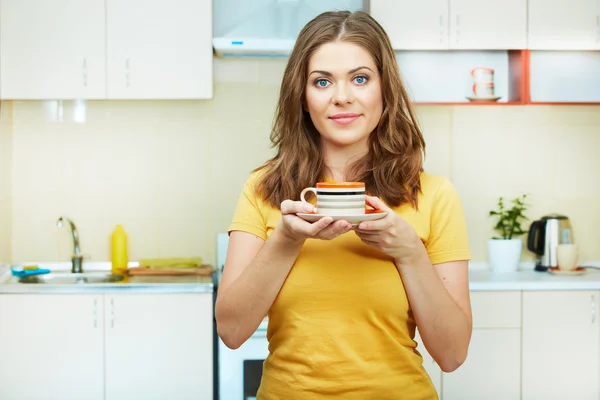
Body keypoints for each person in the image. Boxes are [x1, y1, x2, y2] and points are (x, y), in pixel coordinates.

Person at [215, 9, 472, 400]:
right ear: (302, 97)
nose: (342, 97)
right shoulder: (264, 189)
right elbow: (231, 332)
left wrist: (409, 252)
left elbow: (452, 355)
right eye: (322, 82)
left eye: (360, 78)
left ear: (385, 89)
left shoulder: (434, 195)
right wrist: (285, 239)